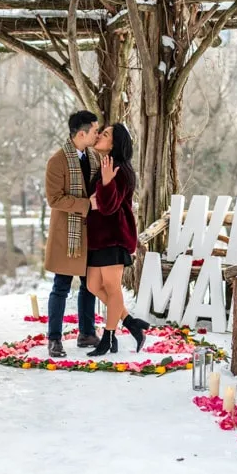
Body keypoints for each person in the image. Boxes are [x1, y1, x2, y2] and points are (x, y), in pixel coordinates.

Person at [83, 122, 149, 357]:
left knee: (112, 287)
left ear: (115, 143)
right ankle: (131, 323)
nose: (100, 135)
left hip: (114, 237)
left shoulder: (120, 170)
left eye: (106, 134)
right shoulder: (104, 165)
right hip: (98, 239)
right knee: (93, 285)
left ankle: (109, 337)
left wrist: (108, 182)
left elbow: (108, 207)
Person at [43, 110, 101, 358]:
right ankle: (54, 338)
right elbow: (54, 199)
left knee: (90, 285)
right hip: (68, 235)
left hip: (91, 233)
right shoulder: (57, 161)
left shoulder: (94, 157)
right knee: (61, 286)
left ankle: (87, 333)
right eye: (95, 131)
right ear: (81, 133)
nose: (98, 134)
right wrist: (87, 204)